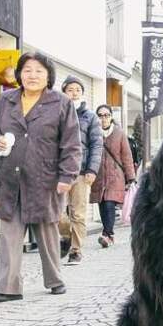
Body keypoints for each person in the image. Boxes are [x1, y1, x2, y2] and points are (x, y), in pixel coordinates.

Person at [0, 52, 82, 302]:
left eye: (39, 71)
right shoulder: (6, 100)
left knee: (47, 234)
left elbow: (71, 144)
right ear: (19, 74)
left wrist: (67, 175)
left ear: (48, 75)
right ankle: (8, 287)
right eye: (27, 70)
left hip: (45, 179)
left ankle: (54, 279)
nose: (32, 75)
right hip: (11, 177)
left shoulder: (61, 102)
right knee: (10, 235)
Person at [59, 75, 102, 265]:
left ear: (82, 93)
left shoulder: (90, 116)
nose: (74, 93)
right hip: (59, 172)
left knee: (78, 213)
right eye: (70, 89)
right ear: (64, 92)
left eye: (78, 89)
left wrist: (92, 169)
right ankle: (66, 237)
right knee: (58, 213)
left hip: (82, 172)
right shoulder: (57, 113)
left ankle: (76, 250)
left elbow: (97, 144)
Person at [90, 105, 136, 248]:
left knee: (109, 203)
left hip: (115, 176)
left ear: (111, 117)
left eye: (106, 115)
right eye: (100, 115)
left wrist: (131, 178)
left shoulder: (119, 133)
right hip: (98, 176)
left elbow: (126, 156)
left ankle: (107, 234)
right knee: (102, 205)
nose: (103, 118)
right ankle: (108, 233)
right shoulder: (93, 133)